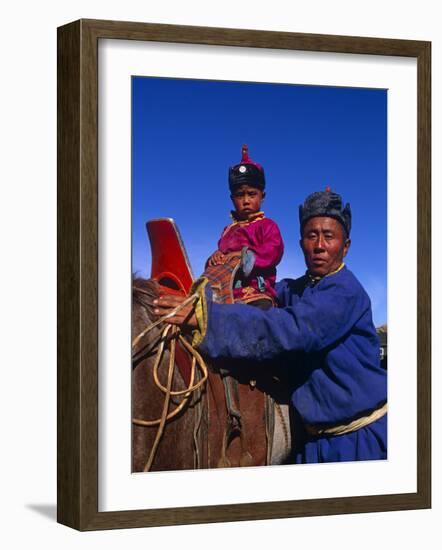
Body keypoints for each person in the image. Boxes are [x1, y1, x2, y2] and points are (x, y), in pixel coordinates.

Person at [154, 189, 387, 464]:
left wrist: (206, 319)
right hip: (311, 444)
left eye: (329, 236)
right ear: (301, 243)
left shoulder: (345, 292)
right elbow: (257, 298)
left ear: (345, 246)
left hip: (358, 439)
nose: (320, 245)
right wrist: (207, 293)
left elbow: (288, 329)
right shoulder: (296, 289)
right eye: (312, 235)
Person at [206, 144, 284, 307]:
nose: (246, 200)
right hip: (225, 294)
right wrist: (214, 257)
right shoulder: (228, 231)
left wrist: (242, 257)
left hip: (256, 294)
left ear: (262, 196)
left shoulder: (267, 225)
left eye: (252, 194)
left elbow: (273, 251)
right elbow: (222, 257)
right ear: (232, 198)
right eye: (240, 195)